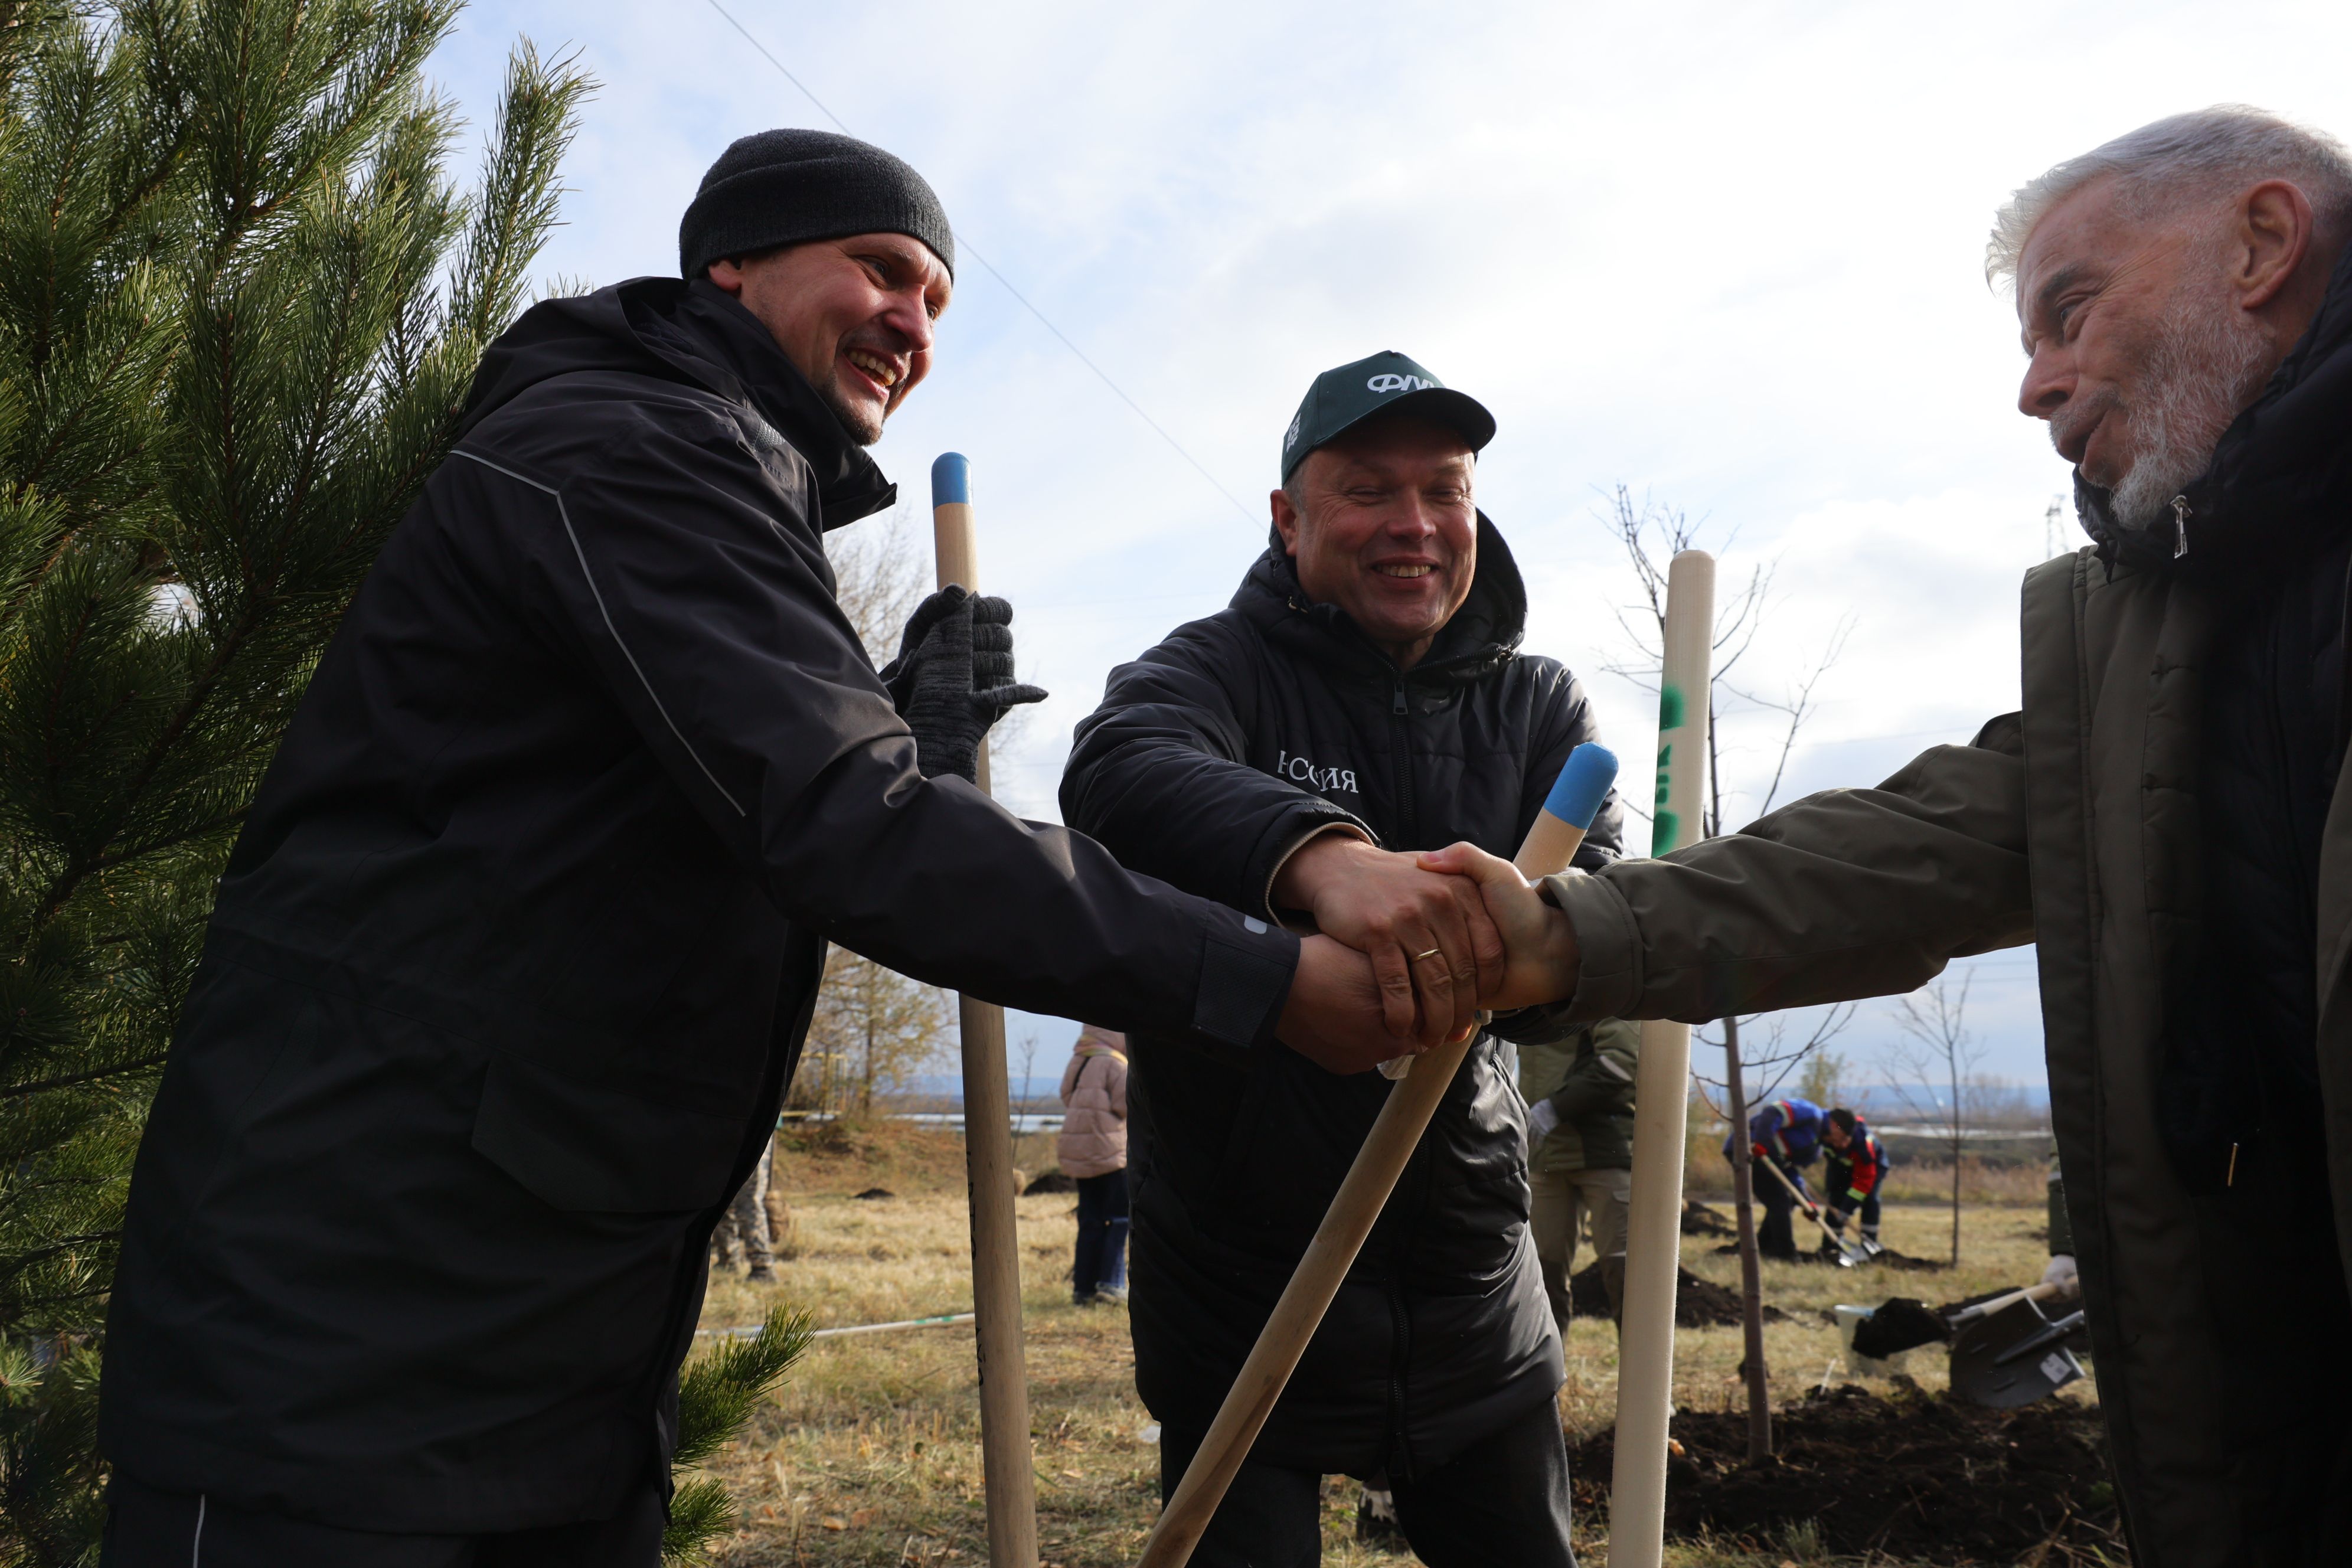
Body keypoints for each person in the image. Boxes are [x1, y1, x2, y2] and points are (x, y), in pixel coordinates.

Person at [95, 130, 1417, 1567]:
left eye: (938, 302)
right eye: (882, 269)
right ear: (733, 261)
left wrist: (899, 726)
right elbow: (851, 828)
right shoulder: (622, 444)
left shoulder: (706, 471)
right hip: (345, 1330)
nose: (913, 324)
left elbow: (681, 819)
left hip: (531, 1344)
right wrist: (1262, 974)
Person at [1422, 106, 2352, 1568]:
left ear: (2263, 241)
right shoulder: (2152, 629)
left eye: (2071, 309)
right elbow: (1929, 842)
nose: (2037, 386)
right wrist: (1571, 931)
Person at [1061, 351, 1623, 1568]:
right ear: (1289, 516)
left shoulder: (1537, 706)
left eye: (1447, 489)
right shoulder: (1217, 669)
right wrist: (1319, 857)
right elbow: (1121, 765)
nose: (1414, 524)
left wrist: (1532, 944)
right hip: (1240, 1281)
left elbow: (1599, 910)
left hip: (1474, 1274)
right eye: (1369, 489)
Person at [1521, 1019, 1641, 1324]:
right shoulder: (1527, 1000)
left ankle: (1640, 1370)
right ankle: (1547, 1370)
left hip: (1604, 1151)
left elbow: (1622, 1061)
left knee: (1626, 1273)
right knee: (1539, 1276)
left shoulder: (1601, 988)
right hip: (1546, 1155)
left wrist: (1555, 1108)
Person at [1056, 1024, 1131, 1305]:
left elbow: (1066, 1096)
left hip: (1079, 1155)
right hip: (1110, 1154)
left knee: (1090, 1221)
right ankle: (1111, 1284)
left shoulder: (1078, 1061)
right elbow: (1127, 1104)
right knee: (1119, 1219)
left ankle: (1083, 1289)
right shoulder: (1115, 1064)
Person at [1724, 1097, 1827, 1260]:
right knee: (1779, 1202)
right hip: (1748, 1149)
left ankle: (1764, 1245)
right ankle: (1786, 1254)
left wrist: (1807, 1202)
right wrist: (1762, 1143)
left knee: (1785, 1201)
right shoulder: (1811, 1114)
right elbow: (1774, 1112)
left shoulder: (1813, 1148)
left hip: (1766, 1158)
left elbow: (1791, 1172)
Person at [1818, 1108, 1889, 1255]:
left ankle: (1869, 1244)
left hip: (1871, 1170)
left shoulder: (1864, 1146)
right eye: (1838, 1140)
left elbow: (1864, 1181)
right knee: (1835, 1199)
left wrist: (1847, 1209)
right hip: (1841, 1168)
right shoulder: (1823, 1133)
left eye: (1846, 1140)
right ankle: (1831, 1245)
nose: (1842, 1145)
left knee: (1870, 1200)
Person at [711, 1136, 778, 1282]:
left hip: (753, 1130)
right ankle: (728, 1260)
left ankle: (763, 1268)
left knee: (749, 1201)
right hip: (724, 1130)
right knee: (720, 1198)